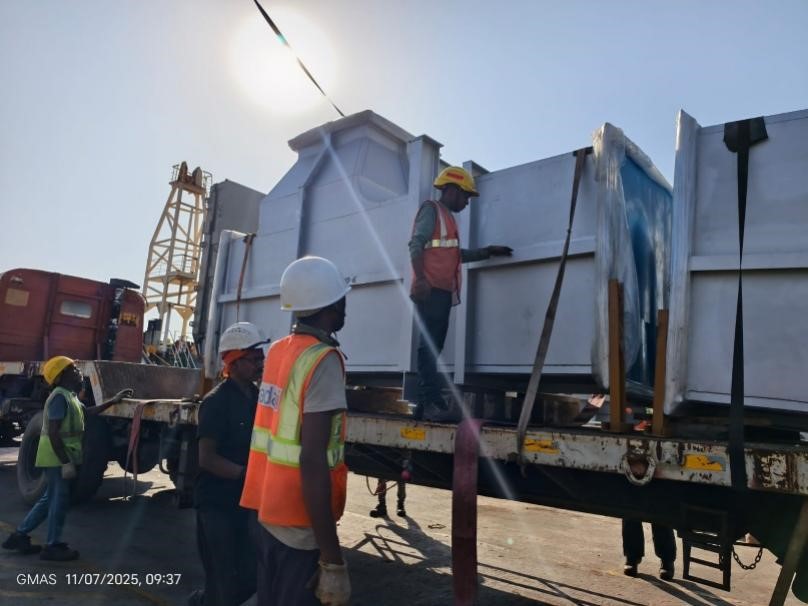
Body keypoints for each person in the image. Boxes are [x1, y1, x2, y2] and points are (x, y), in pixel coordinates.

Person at [241, 256, 352, 606]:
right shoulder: (322, 360)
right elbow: (313, 459)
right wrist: (332, 558)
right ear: (332, 305)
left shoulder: (278, 351)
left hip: (265, 512)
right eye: (342, 297)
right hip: (298, 523)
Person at [2, 356, 132, 561]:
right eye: (73, 369)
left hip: (59, 457)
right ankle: (52, 545)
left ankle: (19, 535)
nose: (78, 372)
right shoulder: (59, 398)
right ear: (61, 376)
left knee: (49, 499)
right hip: (56, 458)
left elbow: (86, 413)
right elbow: (54, 433)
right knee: (59, 501)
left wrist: (112, 401)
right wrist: (65, 462)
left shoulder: (70, 397)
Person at [409, 166, 513, 421]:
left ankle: (425, 405)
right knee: (429, 347)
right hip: (430, 290)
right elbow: (415, 244)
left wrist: (487, 251)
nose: (467, 202)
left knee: (433, 346)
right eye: (465, 195)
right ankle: (430, 402)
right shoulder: (432, 210)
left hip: (441, 292)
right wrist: (420, 279)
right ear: (452, 190)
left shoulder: (447, 218)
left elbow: (455, 256)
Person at [188, 322, 268, 606]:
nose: (260, 363)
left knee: (249, 576)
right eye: (254, 359)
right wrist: (248, 475)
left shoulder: (258, 398)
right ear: (233, 363)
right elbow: (207, 458)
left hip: (244, 503)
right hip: (217, 505)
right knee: (223, 579)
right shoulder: (216, 402)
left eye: (261, 357)